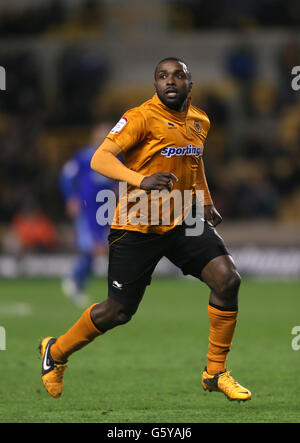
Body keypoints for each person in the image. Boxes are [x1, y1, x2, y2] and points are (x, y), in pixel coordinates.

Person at [40, 57, 251, 402]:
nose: (170, 81)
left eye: (177, 76)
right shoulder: (140, 117)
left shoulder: (200, 121)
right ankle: (57, 351)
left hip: (182, 218)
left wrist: (206, 200)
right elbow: (100, 158)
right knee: (118, 311)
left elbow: (194, 165)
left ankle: (215, 372)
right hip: (136, 223)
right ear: (155, 84)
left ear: (189, 84)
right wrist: (141, 180)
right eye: (162, 76)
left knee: (228, 279)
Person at [59, 123, 115, 306]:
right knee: (92, 247)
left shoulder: (115, 158)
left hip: (105, 212)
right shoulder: (83, 157)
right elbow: (67, 177)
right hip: (86, 209)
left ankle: (78, 282)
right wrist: (71, 197)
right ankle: (74, 280)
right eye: (100, 136)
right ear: (93, 138)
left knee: (99, 249)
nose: (103, 139)